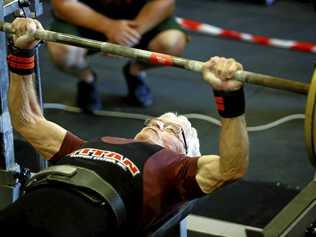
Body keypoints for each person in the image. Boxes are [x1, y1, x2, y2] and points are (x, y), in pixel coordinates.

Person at [0, 18, 249, 236]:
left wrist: (229, 97)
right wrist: (22, 51)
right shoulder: (89, 147)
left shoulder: (178, 170)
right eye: (155, 122)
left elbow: (231, 168)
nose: (158, 126)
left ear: (186, 153)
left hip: (79, 222)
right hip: (28, 207)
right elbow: (27, 120)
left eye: (172, 130)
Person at [47, 0, 188, 112]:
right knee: (63, 52)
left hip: (140, 17)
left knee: (171, 43)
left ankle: (135, 71)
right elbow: (63, 4)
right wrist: (109, 27)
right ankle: (86, 78)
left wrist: (128, 35)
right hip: (86, 16)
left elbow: (165, 2)